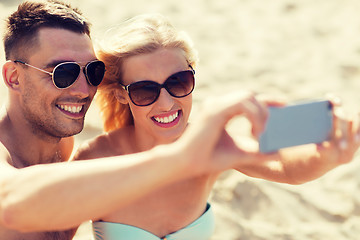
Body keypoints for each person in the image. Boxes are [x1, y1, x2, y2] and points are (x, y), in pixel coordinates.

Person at [0, 1, 283, 240]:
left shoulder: (62, 144)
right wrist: (181, 158)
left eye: (92, 72)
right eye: (62, 73)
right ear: (14, 77)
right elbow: (10, 202)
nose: (83, 89)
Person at [74, 14, 360, 240]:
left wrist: (329, 157)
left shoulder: (207, 143)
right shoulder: (95, 158)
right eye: (145, 91)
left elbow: (287, 170)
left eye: (178, 82)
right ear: (122, 94)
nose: (166, 103)